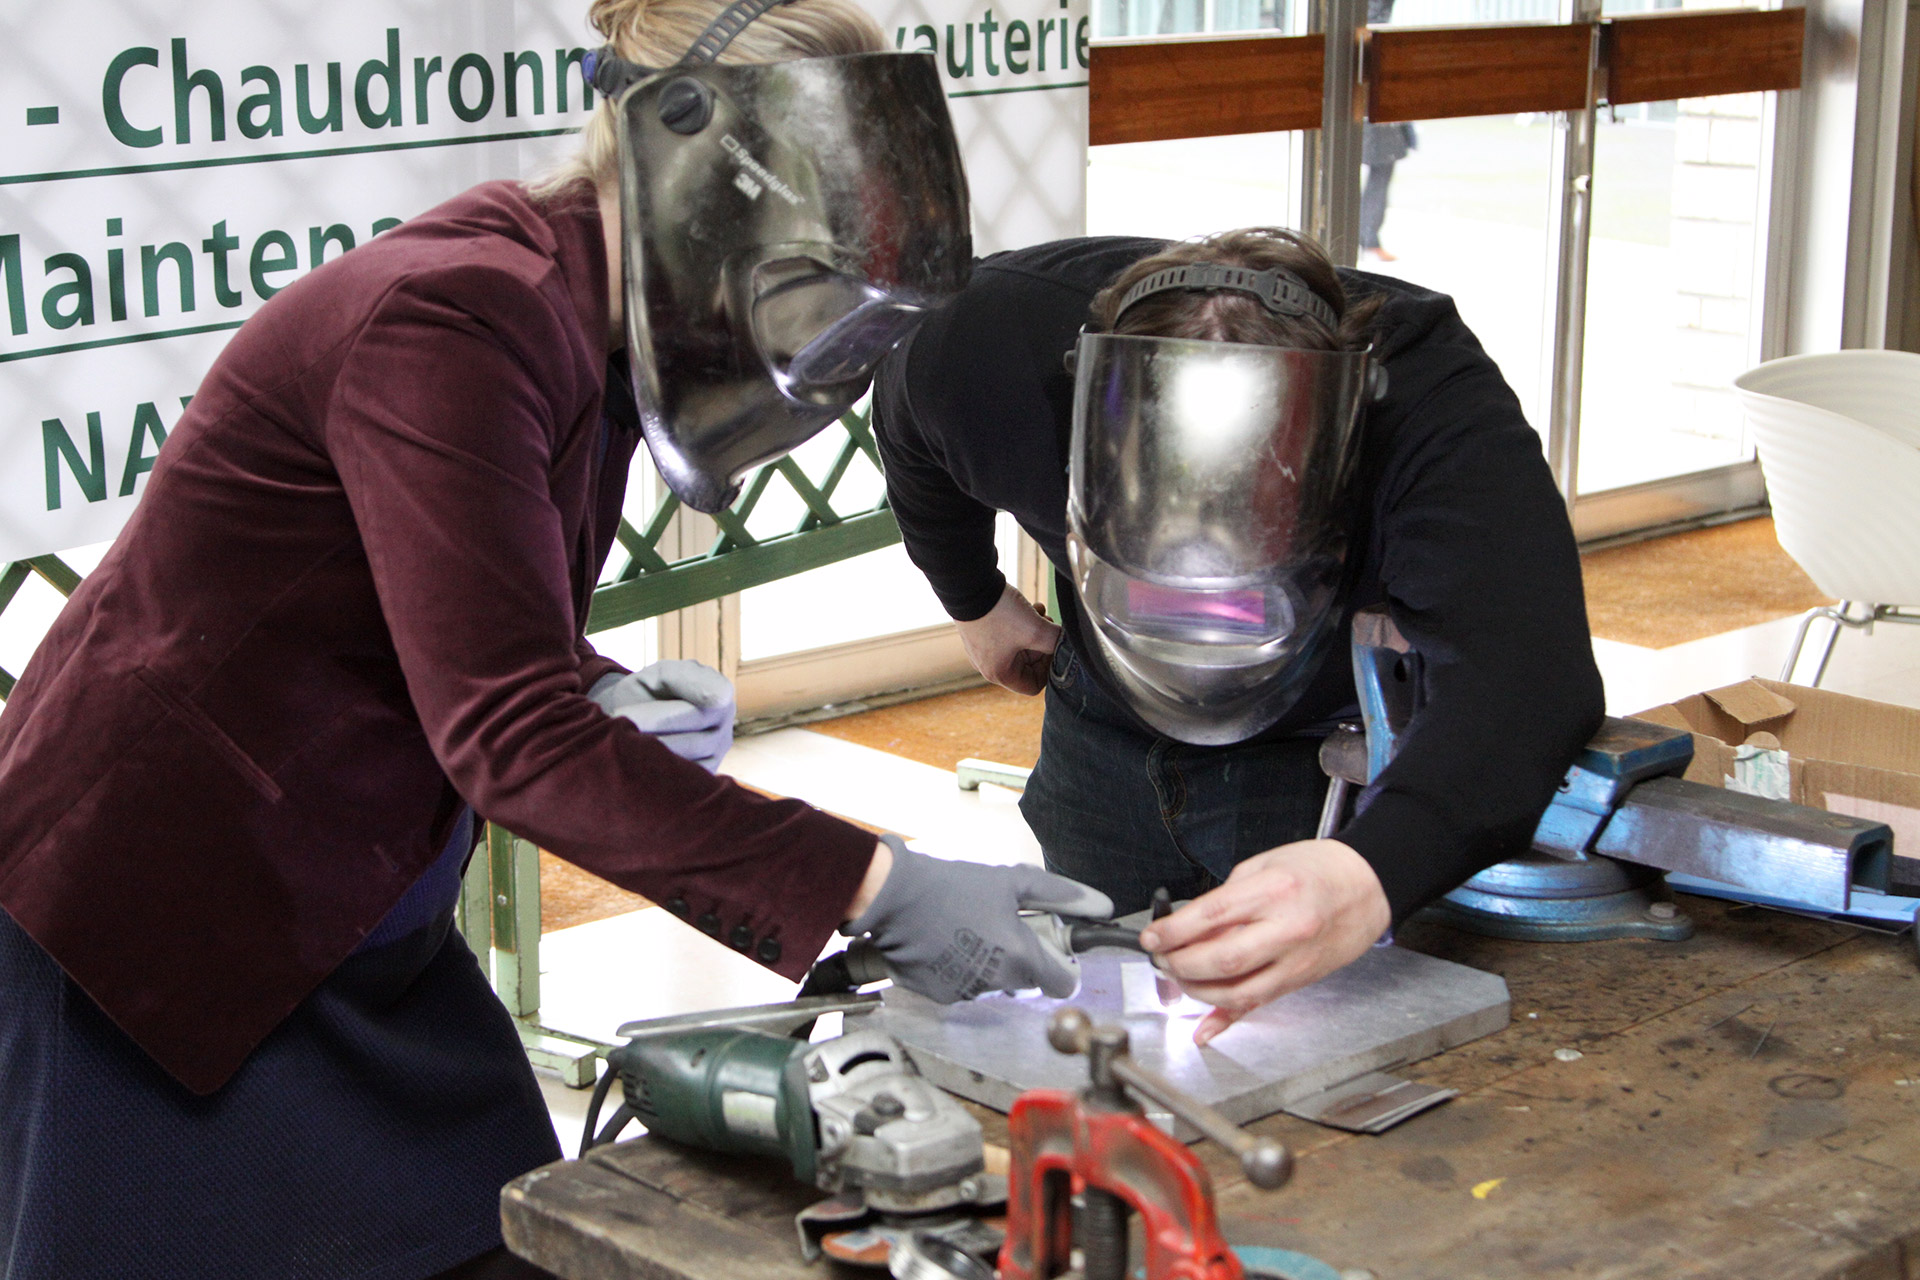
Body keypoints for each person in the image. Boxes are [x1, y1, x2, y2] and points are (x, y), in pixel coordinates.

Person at [0, 2, 1110, 1277]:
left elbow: (453, 606)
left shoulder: (574, 311)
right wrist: (877, 884)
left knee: (507, 1229)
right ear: (705, 184)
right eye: (805, 286)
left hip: (344, 890)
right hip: (161, 909)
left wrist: (599, 684)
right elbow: (509, 739)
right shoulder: (455, 318)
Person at [872, 228, 1605, 1048]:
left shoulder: (1435, 415)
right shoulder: (986, 351)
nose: (1196, 596)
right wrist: (974, 599)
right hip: (1101, 719)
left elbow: (1529, 684)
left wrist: (1364, 878)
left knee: (1295, 1029)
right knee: (1101, 1016)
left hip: (1308, 737)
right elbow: (903, 424)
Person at [1360, 0, 1414, 261]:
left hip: (1376, 82)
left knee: (1380, 168)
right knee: (1378, 167)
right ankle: (1367, 239)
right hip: (1367, 84)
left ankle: (1368, 238)